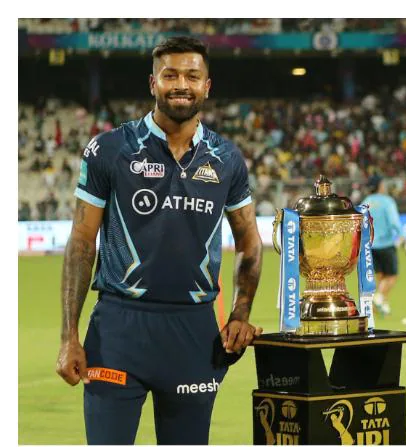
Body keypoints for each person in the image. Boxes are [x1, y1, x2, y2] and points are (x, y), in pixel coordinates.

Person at [55, 36, 264, 445]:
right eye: (170, 75)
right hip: (118, 330)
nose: (180, 84)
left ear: (207, 85)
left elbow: (250, 244)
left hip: (193, 333)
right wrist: (69, 336)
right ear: (153, 83)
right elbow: (81, 242)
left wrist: (240, 312)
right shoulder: (110, 149)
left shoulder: (227, 158)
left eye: (192, 75)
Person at [362, 175, 406, 315]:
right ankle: (379, 298)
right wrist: (402, 236)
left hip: (370, 245)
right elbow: (394, 222)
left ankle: (380, 307)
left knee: (380, 276)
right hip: (386, 244)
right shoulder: (387, 201)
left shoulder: (366, 202)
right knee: (392, 276)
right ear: (380, 186)